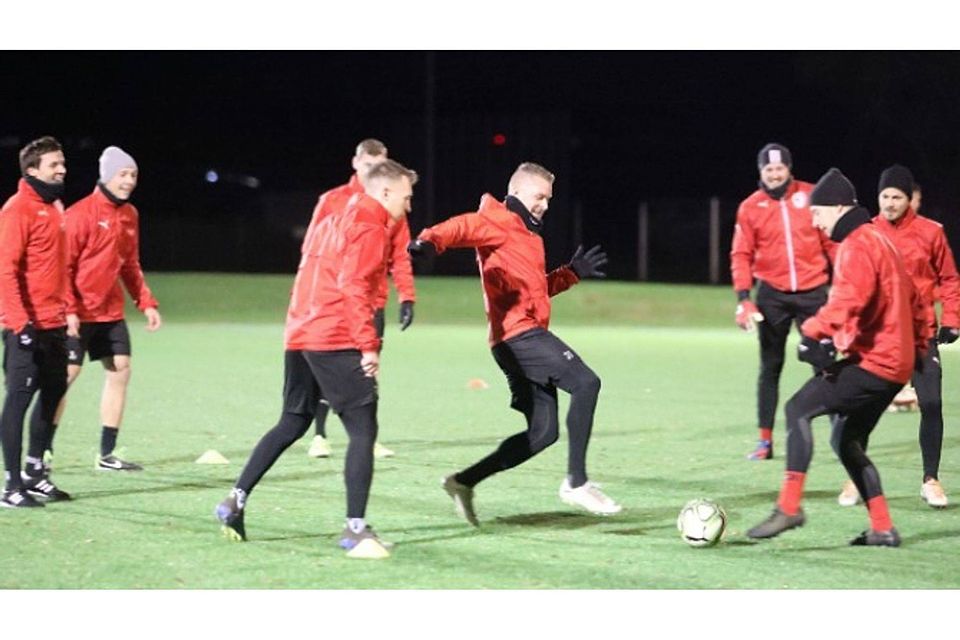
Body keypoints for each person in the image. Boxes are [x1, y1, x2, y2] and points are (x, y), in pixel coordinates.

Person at [215, 159, 417, 558]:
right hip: (334, 335)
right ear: (386, 192)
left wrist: (298, 328)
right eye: (407, 198)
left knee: (293, 420)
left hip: (301, 332)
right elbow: (353, 286)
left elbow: (309, 270)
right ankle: (355, 528)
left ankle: (235, 500)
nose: (408, 207)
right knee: (363, 429)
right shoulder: (371, 224)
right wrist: (367, 344)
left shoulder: (333, 218)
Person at [408, 161, 620, 526]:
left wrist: (570, 274)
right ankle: (577, 482)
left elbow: (536, 290)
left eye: (549, 199)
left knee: (543, 433)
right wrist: (428, 241)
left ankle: (462, 482)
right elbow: (460, 227)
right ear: (518, 192)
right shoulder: (497, 219)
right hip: (519, 335)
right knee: (587, 382)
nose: (545, 205)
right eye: (540, 196)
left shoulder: (528, 236)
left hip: (515, 340)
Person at [747, 168, 930, 547]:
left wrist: (812, 332)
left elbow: (849, 300)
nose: (814, 221)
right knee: (846, 440)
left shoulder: (858, 243)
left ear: (836, 208)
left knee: (798, 409)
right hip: (894, 365)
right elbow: (915, 302)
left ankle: (789, 507)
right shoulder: (882, 238)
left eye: (816, 214)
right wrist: (919, 353)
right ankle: (882, 528)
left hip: (876, 362)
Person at [836, 166, 959, 508]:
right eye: (885, 196)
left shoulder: (932, 233)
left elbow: (949, 279)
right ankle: (856, 478)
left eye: (897, 197)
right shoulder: (866, 232)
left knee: (932, 403)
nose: (890, 203)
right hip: (878, 339)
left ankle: (931, 480)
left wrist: (951, 319)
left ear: (910, 200)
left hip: (920, 335)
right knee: (864, 408)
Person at [52, 146, 161, 472]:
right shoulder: (79, 214)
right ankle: (41, 453)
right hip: (76, 313)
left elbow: (130, 265)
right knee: (63, 379)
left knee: (120, 371)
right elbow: (62, 268)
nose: (129, 181)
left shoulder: (130, 215)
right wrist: (69, 309)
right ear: (107, 175)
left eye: (133, 175)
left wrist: (146, 302)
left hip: (109, 312)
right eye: (123, 174)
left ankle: (107, 454)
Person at [304, 138, 413, 460]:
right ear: (356, 163)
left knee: (368, 369)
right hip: (334, 305)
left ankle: (367, 436)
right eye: (368, 164)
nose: (374, 170)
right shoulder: (333, 200)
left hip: (372, 302)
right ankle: (320, 435)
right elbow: (311, 252)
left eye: (380, 164)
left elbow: (401, 255)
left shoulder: (393, 204)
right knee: (330, 370)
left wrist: (407, 295)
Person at [730, 143, 836, 461]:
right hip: (772, 296)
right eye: (768, 170)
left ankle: (840, 433)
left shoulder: (812, 194)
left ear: (789, 169)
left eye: (779, 169)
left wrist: (844, 280)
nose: (775, 174)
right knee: (770, 367)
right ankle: (765, 441)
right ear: (761, 172)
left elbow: (831, 241)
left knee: (826, 364)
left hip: (813, 291)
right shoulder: (750, 207)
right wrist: (744, 299)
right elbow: (741, 254)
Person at [0, 136, 72, 507]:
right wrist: (19, 322)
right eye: (53, 164)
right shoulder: (17, 209)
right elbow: (6, 270)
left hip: (55, 325)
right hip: (25, 326)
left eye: (62, 163)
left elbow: (60, 269)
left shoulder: (56, 205)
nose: (61, 169)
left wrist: (68, 314)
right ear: (32, 170)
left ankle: (34, 472)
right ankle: (11, 485)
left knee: (53, 396)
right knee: (19, 400)